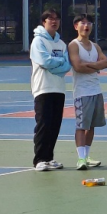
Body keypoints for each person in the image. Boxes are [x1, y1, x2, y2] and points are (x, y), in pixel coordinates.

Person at [30, 9, 71, 171]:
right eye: (50, 19)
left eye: (57, 19)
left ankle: (49, 158)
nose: (54, 21)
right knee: (43, 124)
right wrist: (58, 63)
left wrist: (56, 65)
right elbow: (45, 62)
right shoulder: (38, 41)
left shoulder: (61, 44)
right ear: (44, 22)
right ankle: (39, 159)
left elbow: (67, 66)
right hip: (43, 88)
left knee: (55, 125)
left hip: (59, 88)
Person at [67, 13, 107, 170]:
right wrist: (96, 66)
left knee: (91, 126)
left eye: (89, 23)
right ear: (75, 26)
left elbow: (106, 63)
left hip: (96, 91)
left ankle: (87, 155)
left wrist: (90, 65)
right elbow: (78, 67)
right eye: (82, 23)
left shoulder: (95, 46)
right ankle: (81, 158)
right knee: (81, 126)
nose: (86, 26)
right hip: (82, 92)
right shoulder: (74, 45)